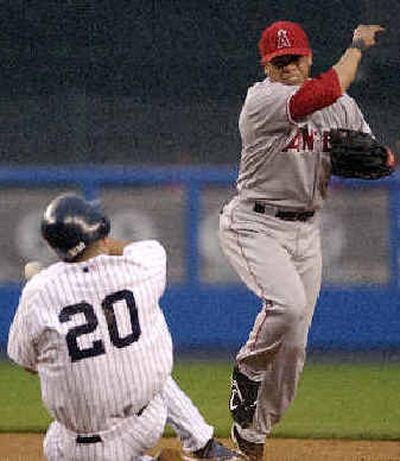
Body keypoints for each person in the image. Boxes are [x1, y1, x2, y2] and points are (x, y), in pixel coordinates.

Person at [218, 20, 385, 460]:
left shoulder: (342, 106)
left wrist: (382, 159)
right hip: (255, 223)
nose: (289, 67)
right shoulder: (263, 99)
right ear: (267, 67)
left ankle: (252, 434)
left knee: (294, 347)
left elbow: (373, 152)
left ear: (308, 57)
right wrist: (356, 47)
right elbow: (320, 94)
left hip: (306, 230)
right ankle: (248, 368)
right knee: (286, 305)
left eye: (295, 59)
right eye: (280, 61)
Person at [7, 193, 243, 461]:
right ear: (98, 231)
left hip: (84, 447)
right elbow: (131, 249)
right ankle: (205, 446)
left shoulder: (38, 292)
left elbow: (26, 363)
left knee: (54, 445)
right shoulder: (143, 265)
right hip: (147, 420)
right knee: (146, 365)